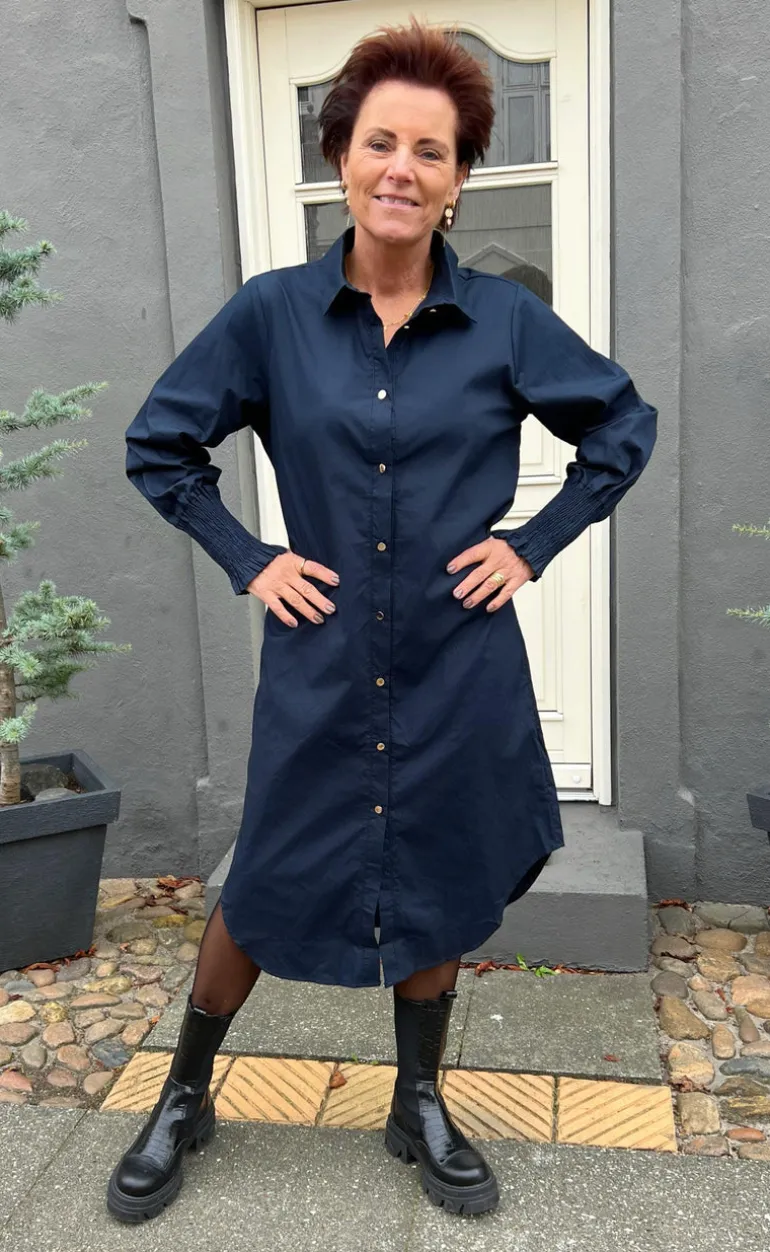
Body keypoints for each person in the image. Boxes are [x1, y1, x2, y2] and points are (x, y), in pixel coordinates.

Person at [109, 17, 657, 1224]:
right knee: (265, 871)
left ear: (458, 181)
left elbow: (620, 429)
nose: (401, 168)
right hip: (320, 659)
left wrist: (529, 545)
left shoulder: (504, 320)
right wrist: (251, 559)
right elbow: (161, 447)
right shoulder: (269, 316)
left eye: (430, 150)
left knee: (441, 871)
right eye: (379, 143)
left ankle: (418, 1101)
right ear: (341, 158)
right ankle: (184, 1092)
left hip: (457, 661)